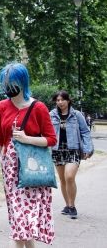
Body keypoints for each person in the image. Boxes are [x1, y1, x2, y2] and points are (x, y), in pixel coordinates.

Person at [0, 63, 57, 247]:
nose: (8, 86)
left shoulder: (38, 108)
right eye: (6, 82)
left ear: (23, 82)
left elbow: (51, 139)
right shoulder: (1, 107)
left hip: (33, 171)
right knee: (19, 222)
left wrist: (27, 139)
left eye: (12, 82)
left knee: (24, 224)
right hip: (11, 171)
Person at [50, 90, 94, 219]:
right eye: (57, 100)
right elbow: (46, 131)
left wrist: (87, 148)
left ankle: (72, 206)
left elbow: (85, 132)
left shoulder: (77, 115)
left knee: (69, 177)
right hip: (57, 150)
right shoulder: (51, 115)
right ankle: (67, 205)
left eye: (62, 99)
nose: (60, 102)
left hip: (73, 149)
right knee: (63, 180)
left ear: (68, 100)